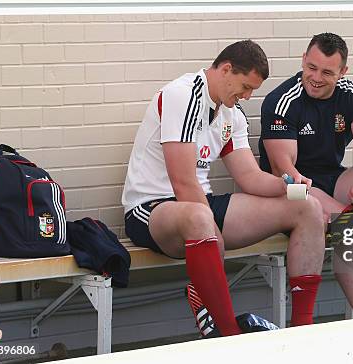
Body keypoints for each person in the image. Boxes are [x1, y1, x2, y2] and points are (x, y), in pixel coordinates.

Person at [122, 40, 325, 337]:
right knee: (200, 218)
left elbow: (249, 178)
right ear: (226, 69)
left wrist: (289, 185)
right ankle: (228, 334)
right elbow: (182, 182)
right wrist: (213, 236)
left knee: (308, 207)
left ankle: (302, 332)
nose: (247, 95)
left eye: (253, 90)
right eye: (245, 86)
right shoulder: (183, 94)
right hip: (152, 209)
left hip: (199, 205)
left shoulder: (231, 112)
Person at [259, 33, 353, 318]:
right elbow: (283, 170)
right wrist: (342, 211)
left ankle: (350, 219)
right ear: (303, 60)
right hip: (291, 191)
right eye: (311, 67)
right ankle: (351, 222)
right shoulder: (282, 100)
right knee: (345, 226)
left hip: (333, 181)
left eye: (327, 72)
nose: (316, 77)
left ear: (343, 72)